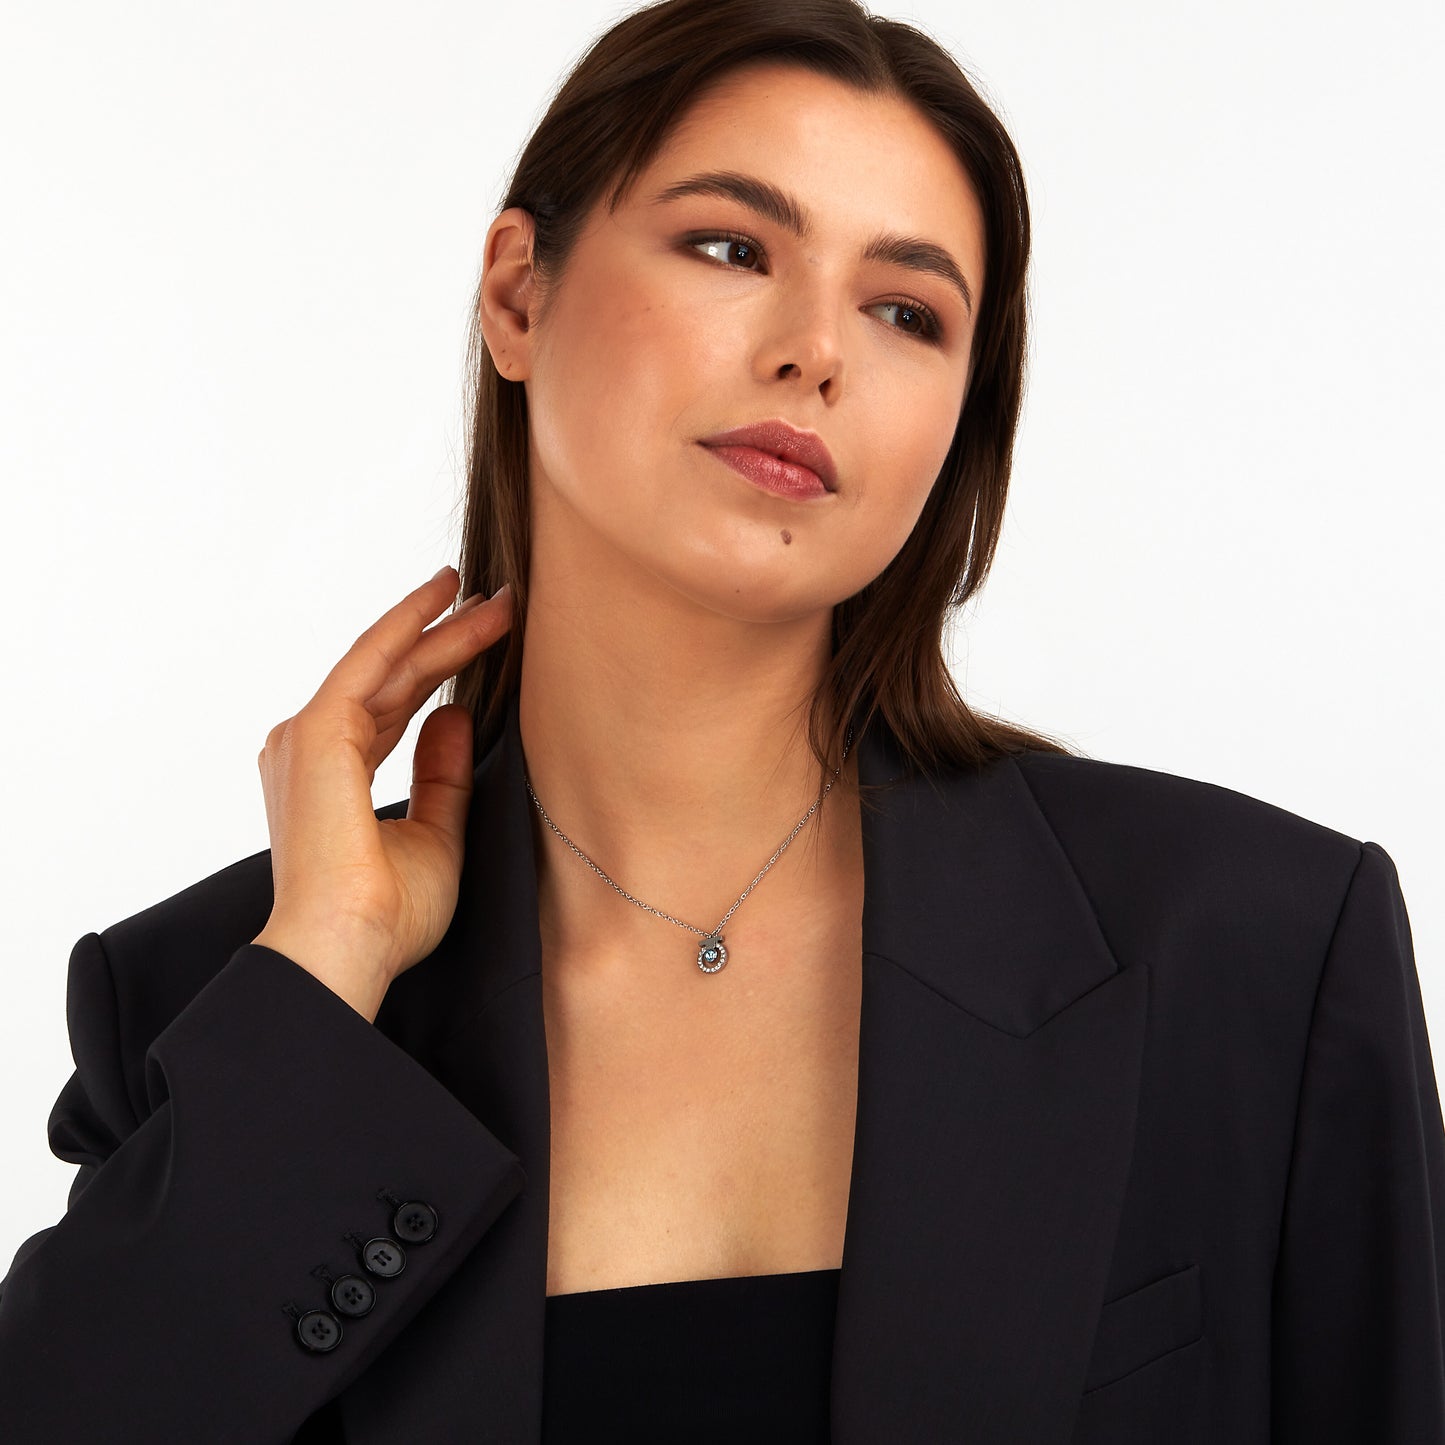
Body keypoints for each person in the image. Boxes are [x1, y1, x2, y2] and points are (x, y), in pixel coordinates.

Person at [1, 0, 1441, 1439]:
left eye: (906, 312)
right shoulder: (221, 1007)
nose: (816, 351)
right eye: (732, 248)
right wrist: (324, 967)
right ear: (517, 297)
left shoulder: (1256, 951)